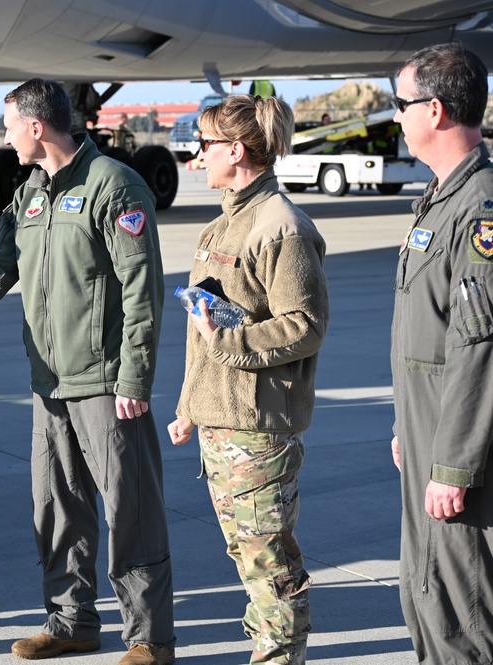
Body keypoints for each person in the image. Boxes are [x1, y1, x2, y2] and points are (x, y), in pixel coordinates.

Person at [0, 78, 176, 665]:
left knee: (130, 509)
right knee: (56, 506)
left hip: (104, 383)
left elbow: (142, 293)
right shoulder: (30, 194)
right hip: (48, 383)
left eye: (7, 126)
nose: (3, 137)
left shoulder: (114, 187)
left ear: (35, 127)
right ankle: (71, 621)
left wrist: (135, 377)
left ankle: (150, 639)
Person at [167, 94, 329, 664]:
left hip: (257, 432)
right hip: (222, 423)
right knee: (247, 554)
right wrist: (190, 405)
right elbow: (202, 326)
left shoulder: (282, 226)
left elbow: (304, 325)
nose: (198, 156)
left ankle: (280, 657)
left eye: (205, 145)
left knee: (270, 563)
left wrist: (231, 344)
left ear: (235, 150)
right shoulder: (220, 227)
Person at [389, 42, 493, 664]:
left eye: (400, 104)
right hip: (427, 429)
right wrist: (408, 423)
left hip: (457, 446)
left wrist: (453, 463)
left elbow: (479, 346)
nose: (394, 117)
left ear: (434, 110)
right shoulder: (439, 199)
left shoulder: (479, 208)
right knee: (424, 596)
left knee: (459, 610)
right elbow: (428, 332)